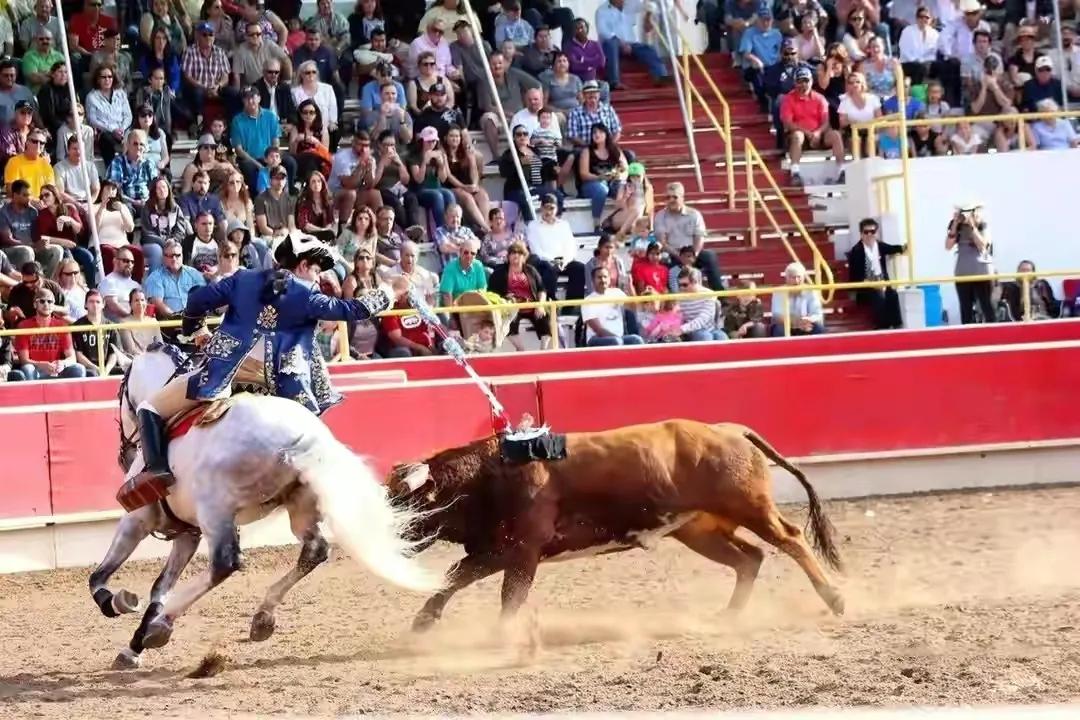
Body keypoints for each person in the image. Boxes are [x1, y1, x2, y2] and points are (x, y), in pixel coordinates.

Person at [126, 232, 401, 497]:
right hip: (286, 388)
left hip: (227, 377)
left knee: (149, 406)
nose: (318, 278)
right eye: (317, 271)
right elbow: (352, 310)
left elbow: (197, 299)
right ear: (303, 265)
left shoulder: (243, 278)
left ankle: (158, 473)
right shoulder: (307, 297)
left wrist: (197, 331)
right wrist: (391, 290)